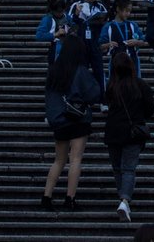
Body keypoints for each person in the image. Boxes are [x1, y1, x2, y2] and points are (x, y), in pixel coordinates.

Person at [41, 30, 101, 211]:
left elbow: (49, 97)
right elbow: (94, 94)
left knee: (58, 160)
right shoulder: (81, 71)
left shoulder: (54, 71)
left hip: (59, 120)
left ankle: (46, 196)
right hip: (78, 118)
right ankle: (70, 198)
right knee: (75, 159)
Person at [103, 48, 154, 222]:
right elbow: (151, 108)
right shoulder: (140, 85)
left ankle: (123, 198)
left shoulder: (112, 86)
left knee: (117, 168)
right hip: (133, 132)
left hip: (113, 132)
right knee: (128, 168)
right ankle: (124, 200)